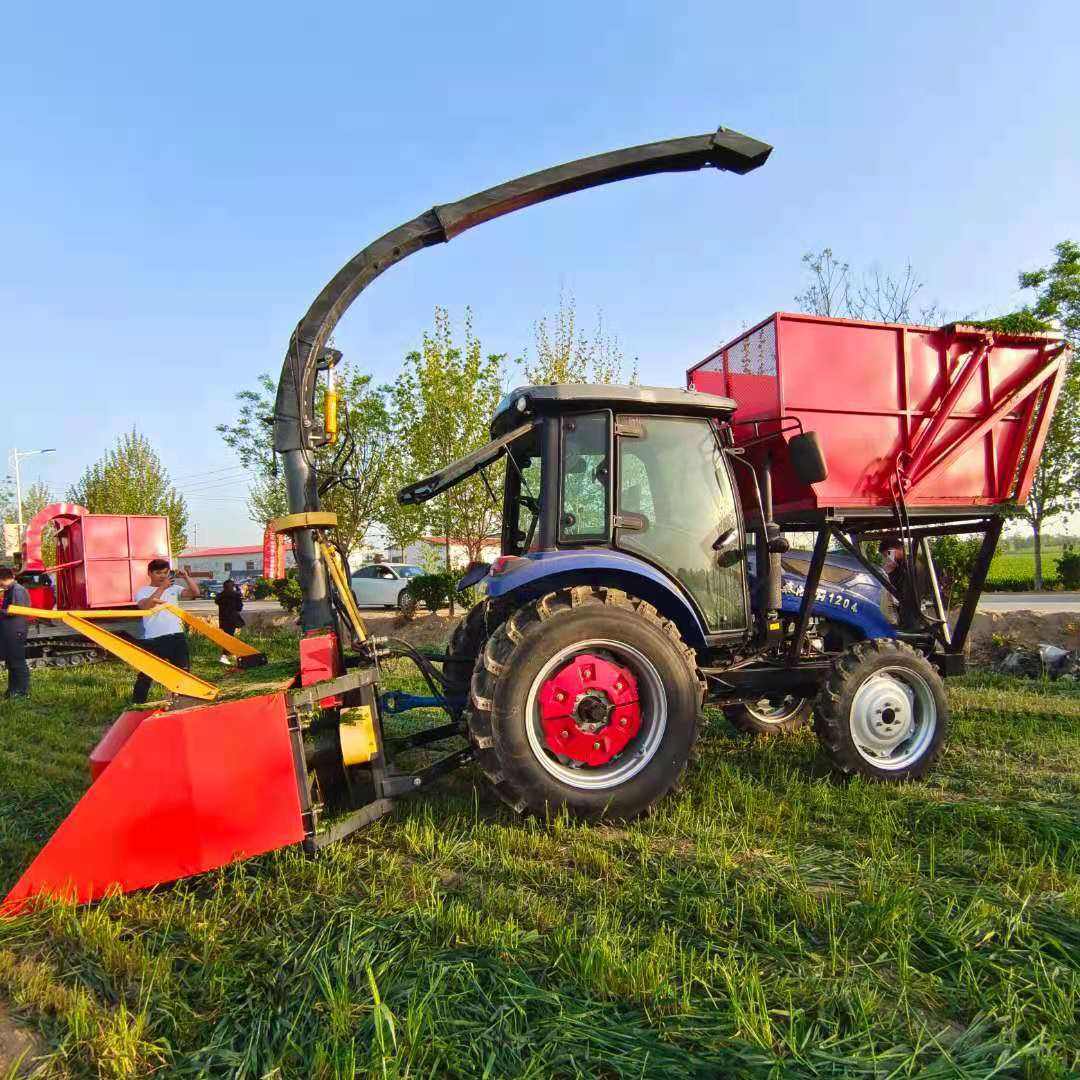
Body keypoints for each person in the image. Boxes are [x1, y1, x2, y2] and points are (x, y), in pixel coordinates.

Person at [132, 559, 201, 704]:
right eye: (158, 573)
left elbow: (195, 592)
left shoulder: (174, 588)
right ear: (149, 573)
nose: (162, 576)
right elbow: (146, 607)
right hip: (153, 639)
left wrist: (186, 577)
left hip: (176, 636)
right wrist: (162, 588)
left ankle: (180, 701)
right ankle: (137, 704)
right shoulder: (143, 591)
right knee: (146, 675)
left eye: (165, 572)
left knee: (183, 672)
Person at [0, 566, 31, 698]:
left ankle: (22, 692)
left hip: (15, 632)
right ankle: (13, 690)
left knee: (17, 663)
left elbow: (16, 610)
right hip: (10, 632)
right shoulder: (10, 590)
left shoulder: (18, 590)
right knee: (12, 663)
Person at [214, 579, 245, 664]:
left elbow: (216, 601)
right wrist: (238, 591)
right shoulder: (235, 595)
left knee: (227, 637)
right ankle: (224, 656)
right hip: (232, 620)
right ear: (233, 587)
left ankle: (230, 653)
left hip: (223, 620)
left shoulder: (220, 596)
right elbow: (239, 608)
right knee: (230, 638)